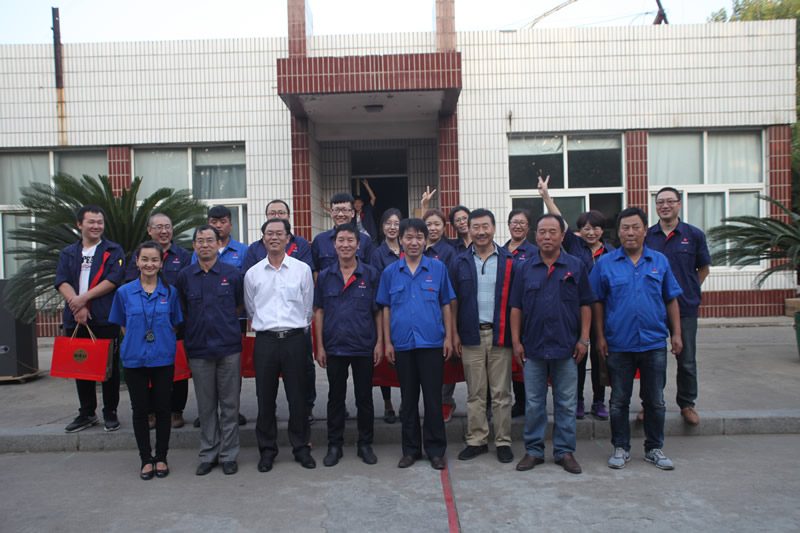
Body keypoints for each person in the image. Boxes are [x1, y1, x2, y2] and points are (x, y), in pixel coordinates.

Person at [590, 207, 683, 471]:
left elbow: (671, 298)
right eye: (625, 228)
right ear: (618, 232)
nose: (630, 233)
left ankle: (654, 448)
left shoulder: (659, 261)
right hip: (619, 344)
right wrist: (599, 336)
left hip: (654, 343)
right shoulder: (605, 263)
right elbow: (597, 302)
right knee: (619, 400)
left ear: (645, 230)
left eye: (635, 227)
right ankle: (621, 447)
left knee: (655, 400)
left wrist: (676, 333)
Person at [510, 214, 595, 474]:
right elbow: (516, 307)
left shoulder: (576, 266)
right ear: (536, 235)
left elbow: (586, 304)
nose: (547, 236)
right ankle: (534, 450)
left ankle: (564, 451)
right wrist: (516, 341)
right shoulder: (524, 267)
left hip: (566, 346)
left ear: (562, 235)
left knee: (566, 402)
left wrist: (584, 339)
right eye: (542, 232)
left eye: (552, 232)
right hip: (533, 347)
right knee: (534, 403)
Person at [376, 218, 455, 470]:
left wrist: (449, 337)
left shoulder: (438, 268)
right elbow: (386, 309)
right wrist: (387, 343)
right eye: (409, 237)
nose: (414, 242)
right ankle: (410, 450)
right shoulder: (390, 273)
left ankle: (436, 451)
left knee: (433, 400)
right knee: (408, 400)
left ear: (425, 240)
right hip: (402, 345)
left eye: (419, 237)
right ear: (400, 240)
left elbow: (446, 304)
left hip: (432, 343)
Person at [537, 176, 615, 421]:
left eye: (596, 228)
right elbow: (559, 220)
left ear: (602, 229)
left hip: (602, 311)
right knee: (578, 356)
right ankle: (578, 400)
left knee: (601, 357)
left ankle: (599, 401)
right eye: (586, 228)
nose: (591, 232)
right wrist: (546, 196)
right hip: (577, 310)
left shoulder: (612, 252)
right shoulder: (575, 245)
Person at [245, 218, 316, 471]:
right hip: (265, 341)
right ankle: (267, 451)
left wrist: (295, 327)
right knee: (265, 398)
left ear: (288, 238)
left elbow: (308, 308)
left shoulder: (301, 270)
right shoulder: (253, 274)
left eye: (279, 233)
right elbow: (251, 310)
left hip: (295, 340)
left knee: (298, 398)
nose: (274, 237)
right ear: (263, 238)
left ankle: (301, 448)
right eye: (269, 233)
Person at [109, 241, 183, 479]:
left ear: (161, 263)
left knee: (163, 408)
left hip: (162, 358)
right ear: (137, 262)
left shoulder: (170, 292)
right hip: (134, 358)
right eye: (145, 259)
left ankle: (161, 457)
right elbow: (122, 325)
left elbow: (174, 324)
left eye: (154, 260)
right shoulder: (124, 293)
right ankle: (145, 458)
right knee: (140, 409)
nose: (149, 264)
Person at [176, 226, 245, 476]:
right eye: (200, 241)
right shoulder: (185, 276)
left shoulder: (232, 273)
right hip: (198, 348)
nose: (205, 245)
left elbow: (239, 305)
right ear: (194, 246)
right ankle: (208, 453)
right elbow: (183, 309)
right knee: (206, 406)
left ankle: (229, 455)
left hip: (228, 347)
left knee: (230, 404)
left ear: (218, 244)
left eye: (209, 240)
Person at [451, 209, 517, 464]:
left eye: (485, 226)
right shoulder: (459, 261)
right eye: (475, 227)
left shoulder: (509, 261)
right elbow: (453, 301)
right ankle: (476, 440)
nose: (480, 232)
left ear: (494, 228)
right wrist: (454, 334)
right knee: (475, 393)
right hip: (471, 336)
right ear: (468, 229)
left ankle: (503, 441)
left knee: (501, 393)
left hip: (501, 335)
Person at [315, 224, 382, 467]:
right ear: (334, 244)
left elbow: (378, 312)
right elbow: (319, 311)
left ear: (358, 244)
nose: (345, 244)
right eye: (341, 240)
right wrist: (319, 346)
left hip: (363, 346)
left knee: (364, 397)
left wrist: (379, 343)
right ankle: (335, 445)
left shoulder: (371, 274)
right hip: (334, 347)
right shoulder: (325, 276)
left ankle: (365, 444)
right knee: (335, 398)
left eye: (350, 240)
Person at [56, 205, 125, 433]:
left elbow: (113, 280)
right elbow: (62, 281)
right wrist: (76, 305)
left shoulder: (113, 250)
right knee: (81, 365)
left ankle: (110, 412)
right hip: (75, 318)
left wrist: (83, 300)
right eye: (91, 222)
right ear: (79, 224)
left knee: (109, 369)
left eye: (99, 222)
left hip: (104, 318)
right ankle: (87, 413)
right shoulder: (68, 253)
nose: (96, 226)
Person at [645, 186, 711, 426]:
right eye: (660, 202)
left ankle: (687, 403)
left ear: (679, 204)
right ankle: (651, 404)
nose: (665, 206)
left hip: (685, 307)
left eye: (670, 201)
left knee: (687, 359)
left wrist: (687, 290)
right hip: (653, 308)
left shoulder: (694, 235)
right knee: (652, 360)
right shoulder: (647, 236)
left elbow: (703, 268)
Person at [124, 213, 192, 429]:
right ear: (149, 230)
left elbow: (188, 286)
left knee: (178, 368)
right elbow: (131, 284)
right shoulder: (141, 255)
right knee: (147, 366)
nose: (164, 231)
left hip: (175, 319)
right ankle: (151, 412)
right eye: (159, 227)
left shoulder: (183, 255)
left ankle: (176, 410)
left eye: (168, 227)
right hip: (144, 322)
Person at [191, 205, 248, 427]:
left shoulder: (243, 251)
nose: (218, 225)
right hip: (202, 324)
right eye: (213, 221)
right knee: (206, 369)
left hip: (233, 322)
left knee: (231, 370)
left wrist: (228, 316)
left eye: (222, 221)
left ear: (230, 224)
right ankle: (208, 412)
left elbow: (241, 293)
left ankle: (232, 410)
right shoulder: (198, 251)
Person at [422, 208, 458, 423]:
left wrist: (452, 328)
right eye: (429, 224)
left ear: (445, 228)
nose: (433, 228)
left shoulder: (449, 252)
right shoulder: (416, 248)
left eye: (437, 224)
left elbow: (451, 294)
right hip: (421, 315)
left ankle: (445, 400)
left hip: (443, 312)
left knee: (445, 358)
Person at [369, 208, 404, 424]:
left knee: (405, 360)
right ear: (382, 227)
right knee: (385, 360)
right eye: (388, 223)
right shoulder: (377, 254)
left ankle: (404, 403)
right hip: (385, 311)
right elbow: (376, 285)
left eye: (396, 223)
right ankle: (388, 403)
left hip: (406, 311)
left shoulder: (407, 248)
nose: (392, 227)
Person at [503, 208, 538, 418]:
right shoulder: (500, 251)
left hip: (525, 313)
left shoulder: (534, 252)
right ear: (508, 225)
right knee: (505, 359)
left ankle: (524, 401)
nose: (517, 226)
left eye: (522, 223)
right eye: (514, 222)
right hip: (502, 313)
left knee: (522, 358)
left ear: (528, 227)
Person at [312, 192, 373, 281]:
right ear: (331, 213)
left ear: (352, 213)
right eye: (336, 210)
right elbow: (315, 270)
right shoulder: (320, 240)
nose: (340, 214)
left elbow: (370, 270)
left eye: (345, 210)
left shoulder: (365, 240)